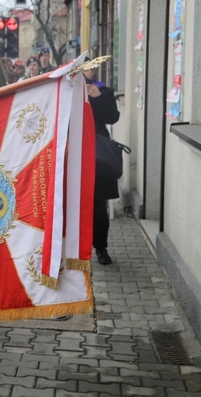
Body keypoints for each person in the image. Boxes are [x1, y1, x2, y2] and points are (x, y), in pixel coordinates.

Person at [84, 66, 120, 265]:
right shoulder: (69, 91)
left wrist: (98, 97)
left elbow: (112, 117)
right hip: (74, 154)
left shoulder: (103, 91)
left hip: (97, 155)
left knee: (98, 204)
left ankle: (100, 247)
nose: (89, 71)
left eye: (91, 68)